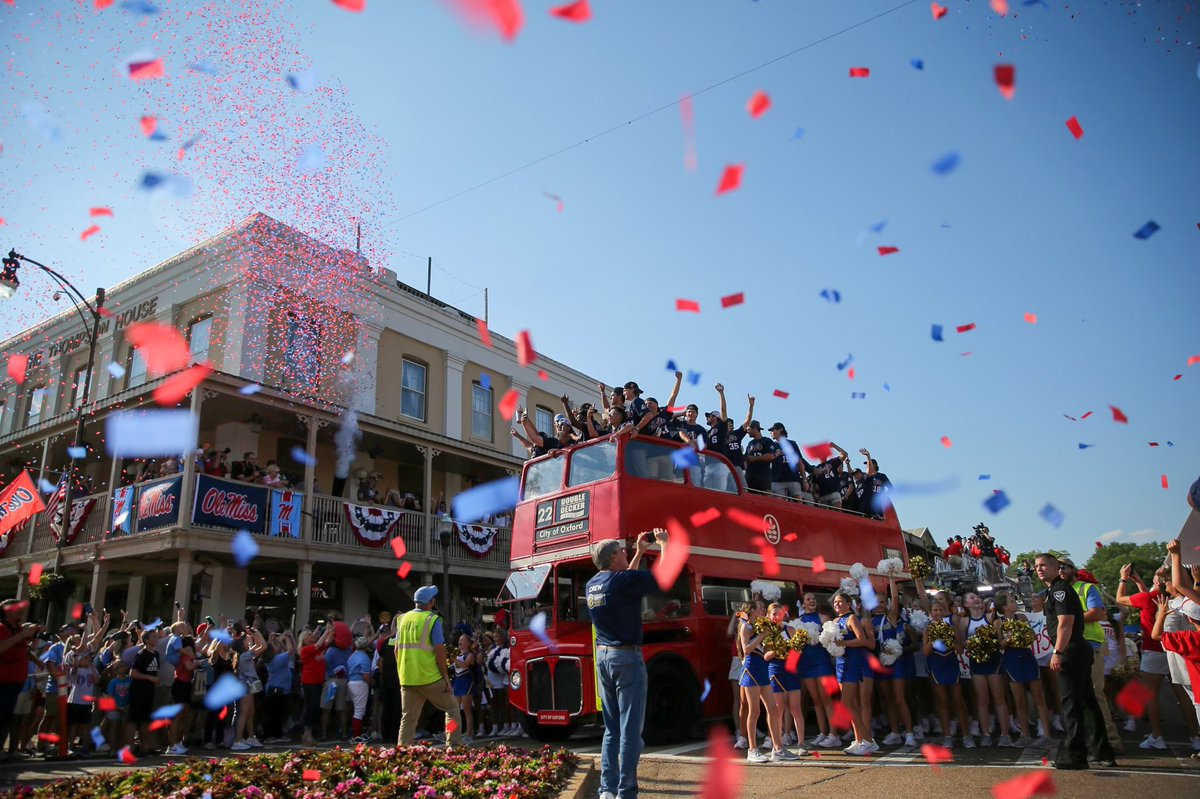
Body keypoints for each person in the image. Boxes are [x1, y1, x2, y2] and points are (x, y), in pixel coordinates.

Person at [586, 528, 669, 798]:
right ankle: (626, 792)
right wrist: (664, 545)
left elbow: (624, 581)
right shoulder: (621, 582)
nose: (625, 552)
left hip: (603, 657)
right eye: (621, 551)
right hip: (626, 657)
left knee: (611, 729)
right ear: (613, 557)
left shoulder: (593, 584)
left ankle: (607, 790)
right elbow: (661, 578)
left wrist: (640, 553)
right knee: (631, 730)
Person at [1033, 552, 1116, 770]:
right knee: (1088, 703)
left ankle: (1076, 755)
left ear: (1055, 568)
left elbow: (1065, 623)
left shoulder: (1059, 591)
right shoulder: (1055, 590)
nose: (1039, 569)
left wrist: (1057, 651)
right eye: (1037, 566)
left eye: (1043, 565)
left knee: (1071, 704)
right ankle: (1101, 751)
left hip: (1071, 650)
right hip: (1076, 649)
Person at [1056, 558, 1123, 751]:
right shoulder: (1056, 592)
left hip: (1090, 645)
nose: (1061, 570)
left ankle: (1111, 741)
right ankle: (1087, 740)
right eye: (1057, 567)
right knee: (1074, 697)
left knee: (1094, 693)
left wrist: (1069, 620)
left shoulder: (1086, 588)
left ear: (1073, 569)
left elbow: (1098, 613)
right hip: (1068, 648)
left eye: (1065, 566)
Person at [396, 585, 463, 747]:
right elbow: (440, 651)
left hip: (408, 678)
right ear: (431, 602)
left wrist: (402, 673)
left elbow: (396, 650)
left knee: (408, 719)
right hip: (430, 677)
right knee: (452, 710)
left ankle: (402, 752)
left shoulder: (402, 619)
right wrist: (445, 677)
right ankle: (453, 746)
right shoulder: (432, 619)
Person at [1116, 560, 1171, 749]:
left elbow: (1120, 599)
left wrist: (1123, 579)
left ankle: (1157, 736)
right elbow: (1147, 596)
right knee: (1182, 694)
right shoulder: (1171, 596)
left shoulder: (1149, 598)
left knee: (1151, 694)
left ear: (1158, 581)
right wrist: (1139, 581)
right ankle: (1195, 736)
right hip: (1171, 649)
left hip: (1153, 649)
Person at [795, 592, 838, 748]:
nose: (812, 601)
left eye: (813, 599)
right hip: (807, 663)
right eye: (808, 599)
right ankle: (823, 733)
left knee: (827, 699)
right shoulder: (798, 622)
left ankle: (834, 735)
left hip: (822, 662)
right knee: (816, 700)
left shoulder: (823, 618)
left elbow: (832, 640)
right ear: (803, 604)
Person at [0, 599, 41, 760]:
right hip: (3, 682)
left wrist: (37, 661)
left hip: (16, 683)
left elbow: (24, 649)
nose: (21, 611)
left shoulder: (17, 629)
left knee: (9, 717)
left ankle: (8, 751)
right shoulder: (2, 628)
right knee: (2, 717)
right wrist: (22, 635)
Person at [346, 635, 374, 744]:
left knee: (357, 710)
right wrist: (372, 682)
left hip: (351, 682)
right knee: (359, 711)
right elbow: (366, 676)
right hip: (360, 683)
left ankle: (357, 733)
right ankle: (356, 736)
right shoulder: (364, 657)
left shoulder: (352, 655)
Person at [742, 421, 776, 493]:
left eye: (749, 429)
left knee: (766, 496)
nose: (747, 432)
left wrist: (754, 458)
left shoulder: (767, 441)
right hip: (750, 475)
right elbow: (746, 457)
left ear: (755, 429)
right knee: (750, 496)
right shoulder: (750, 443)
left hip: (763, 475)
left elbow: (770, 456)